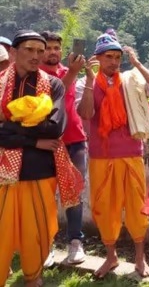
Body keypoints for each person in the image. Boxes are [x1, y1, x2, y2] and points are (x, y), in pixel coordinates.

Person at [76, 30, 149, 278]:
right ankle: (111, 257)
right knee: (104, 207)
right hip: (101, 156)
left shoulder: (130, 79)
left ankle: (139, 259)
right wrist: (91, 80)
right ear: (97, 59)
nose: (113, 62)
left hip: (130, 153)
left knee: (136, 206)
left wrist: (137, 64)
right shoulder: (86, 83)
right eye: (108, 57)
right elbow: (85, 113)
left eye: (117, 57)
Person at [0, 31, 83, 287]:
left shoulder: (54, 85)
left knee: (37, 236)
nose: (36, 56)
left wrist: (9, 126)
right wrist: (34, 140)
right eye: (29, 50)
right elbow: (42, 133)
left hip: (40, 172)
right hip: (3, 175)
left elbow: (54, 128)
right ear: (13, 52)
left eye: (40, 50)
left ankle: (34, 279)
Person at [39, 31, 88, 265]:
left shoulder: (66, 70)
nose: (52, 52)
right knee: (45, 195)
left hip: (75, 140)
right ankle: (45, 245)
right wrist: (74, 72)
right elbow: (53, 95)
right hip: (47, 143)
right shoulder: (34, 75)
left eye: (56, 48)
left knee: (74, 193)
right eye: (47, 48)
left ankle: (75, 243)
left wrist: (78, 72)